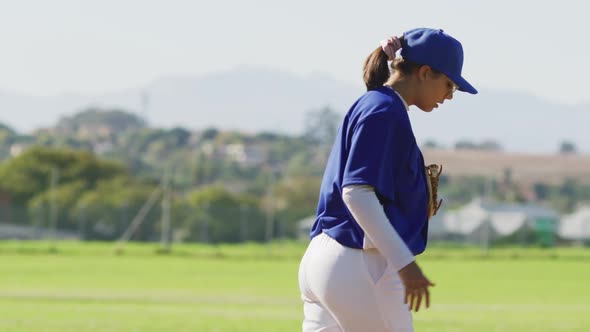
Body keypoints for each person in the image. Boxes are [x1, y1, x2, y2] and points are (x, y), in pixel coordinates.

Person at [298, 28, 478, 332]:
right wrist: (405, 263)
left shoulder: (376, 104)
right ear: (424, 72)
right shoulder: (384, 111)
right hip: (358, 261)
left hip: (328, 259)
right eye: (449, 84)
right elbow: (356, 192)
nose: (450, 95)